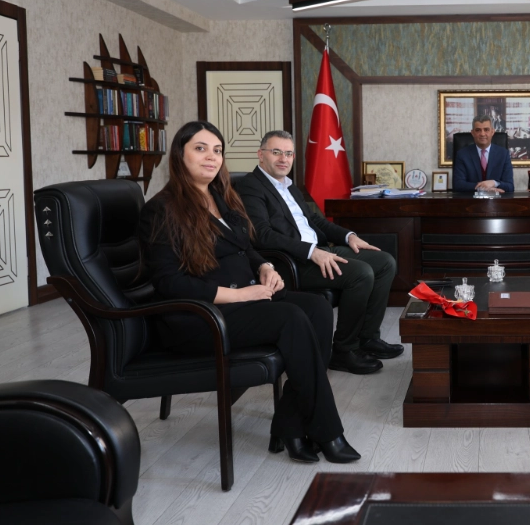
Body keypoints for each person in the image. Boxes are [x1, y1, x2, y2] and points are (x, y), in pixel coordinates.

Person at [137, 121, 360, 464]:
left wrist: (265, 267)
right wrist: (242, 295)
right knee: (290, 318)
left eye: (217, 150)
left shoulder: (219, 196)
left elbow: (244, 247)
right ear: (179, 155)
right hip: (199, 317)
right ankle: (328, 432)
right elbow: (170, 283)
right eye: (200, 148)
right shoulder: (161, 209)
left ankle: (289, 426)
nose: (211, 157)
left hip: (241, 301)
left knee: (316, 307)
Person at [235, 130, 402, 376]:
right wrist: (311, 251)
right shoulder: (251, 186)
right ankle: (344, 350)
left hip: (317, 250)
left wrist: (349, 236)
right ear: (261, 155)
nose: (283, 159)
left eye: (288, 153)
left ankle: (367, 339)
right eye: (276, 152)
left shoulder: (288, 186)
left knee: (385, 262)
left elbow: (314, 221)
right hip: (291, 262)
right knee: (361, 273)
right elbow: (262, 234)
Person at [452, 115, 515, 193]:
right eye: (478, 130)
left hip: (497, 200)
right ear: (472, 133)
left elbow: (510, 186)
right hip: (471, 199)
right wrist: (484, 188)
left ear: (492, 132)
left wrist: (494, 183)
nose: (482, 134)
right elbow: (458, 185)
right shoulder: (462, 155)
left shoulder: (503, 154)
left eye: (486, 130)